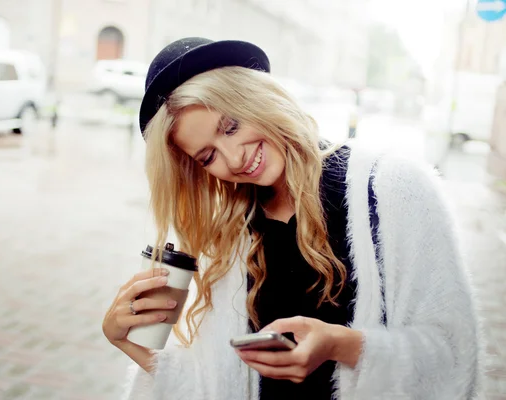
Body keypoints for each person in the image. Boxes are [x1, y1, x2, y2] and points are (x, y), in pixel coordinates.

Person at [102, 37, 480, 399]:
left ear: (258, 98)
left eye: (231, 126)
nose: (234, 159)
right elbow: (216, 386)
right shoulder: (232, 237)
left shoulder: (393, 190)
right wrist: (125, 340)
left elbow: (453, 356)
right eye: (208, 157)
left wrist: (341, 345)